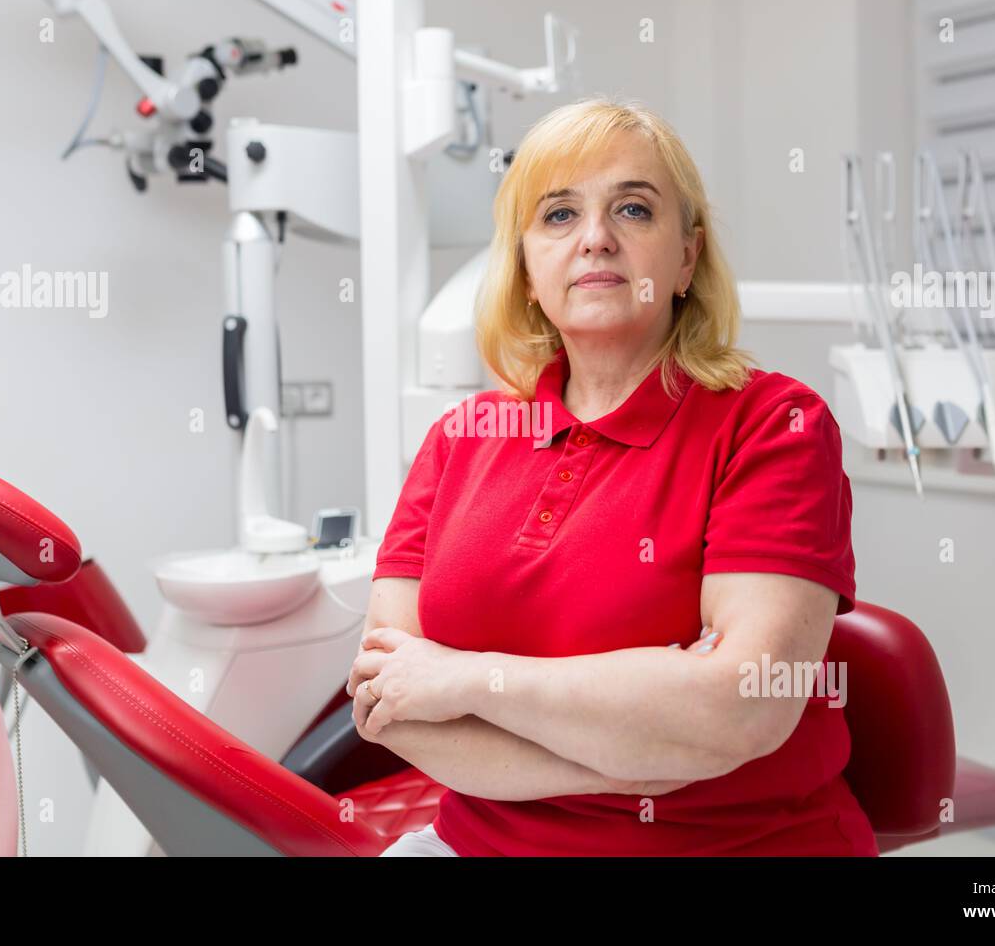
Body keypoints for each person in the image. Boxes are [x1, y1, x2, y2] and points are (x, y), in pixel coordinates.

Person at [347, 96, 878, 857]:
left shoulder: (773, 425)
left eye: (632, 209)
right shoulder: (461, 438)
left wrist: (463, 680)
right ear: (528, 270)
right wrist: (644, 750)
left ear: (687, 257)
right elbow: (388, 702)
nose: (595, 239)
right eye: (558, 216)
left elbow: (739, 710)